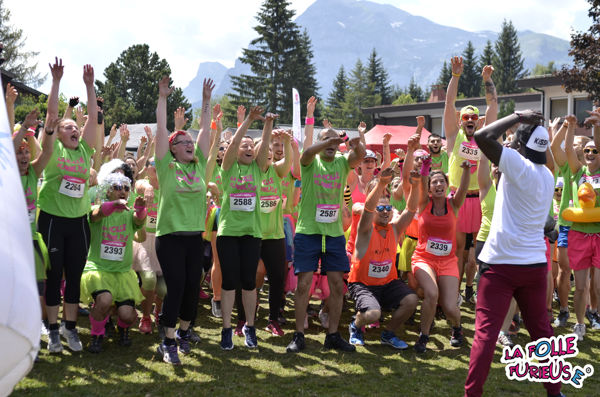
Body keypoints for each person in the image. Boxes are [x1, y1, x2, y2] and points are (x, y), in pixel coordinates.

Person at [464, 110, 560, 397]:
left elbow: (482, 136)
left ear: (521, 147)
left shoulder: (518, 165)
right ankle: (555, 392)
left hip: (500, 265)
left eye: (514, 142)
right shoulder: (546, 175)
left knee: (486, 334)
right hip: (534, 266)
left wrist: (518, 116)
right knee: (542, 333)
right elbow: (545, 224)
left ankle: (472, 394)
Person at [286, 127, 366, 353]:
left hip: (333, 234)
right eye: (325, 140)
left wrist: (355, 144)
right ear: (320, 142)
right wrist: (329, 141)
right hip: (308, 232)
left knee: (337, 287)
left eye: (334, 141)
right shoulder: (310, 161)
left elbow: (359, 156)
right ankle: (298, 335)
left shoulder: (341, 162)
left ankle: (332, 335)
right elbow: (307, 152)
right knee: (303, 286)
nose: (331, 144)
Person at [37, 61, 98, 353]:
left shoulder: (84, 149)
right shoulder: (52, 148)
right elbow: (51, 117)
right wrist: (56, 82)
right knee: (54, 274)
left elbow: (94, 118)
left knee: (73, 275)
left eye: (76, 126)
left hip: (79, 223)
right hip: (52, 221)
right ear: (59, 134)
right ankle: (52, 331)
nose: (74, 129)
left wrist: (89, 86)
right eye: (69, 127)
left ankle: (70, 329)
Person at [154, 76, 213, 365]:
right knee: (176, 285)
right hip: (170, 237)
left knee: (192, 286)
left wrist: (206, 100)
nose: (190, 144)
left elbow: (205, 130)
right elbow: (162, 130)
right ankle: (167, 340)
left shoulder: (200, 164)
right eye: (183, 142)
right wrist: (163, 98)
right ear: (173, 148)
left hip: (194, 238)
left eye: (190, 141)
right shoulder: (167, 166)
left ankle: (184, 333)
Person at [216, 107, 273, 350]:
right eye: (245, 146)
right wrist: (248, 120)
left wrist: (268, 125)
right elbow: (232, 147)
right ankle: (227, 329)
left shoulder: (257, 169)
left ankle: (250, 327)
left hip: (251, 234)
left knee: (249, 283)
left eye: (252, 146)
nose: (249, 149)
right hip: (229, 233)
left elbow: (263, 150)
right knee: (229, 283)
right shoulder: (227, 168)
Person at [408, 133, 470, 353]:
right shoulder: (424, 203)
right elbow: (423, 184)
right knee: (432, 294)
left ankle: (457, 328)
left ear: (446, 185)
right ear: (431, 187)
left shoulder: (453, 205)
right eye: (434, 182)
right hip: (424, 258)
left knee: (451, 307)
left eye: (441, 181)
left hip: (447, 262)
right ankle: (423, 336)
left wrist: (466, 170)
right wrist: (426, 168)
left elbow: (462, 190)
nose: (438, 185)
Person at [444, 58, 498, 303]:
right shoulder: (454, 136)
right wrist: (455, 77)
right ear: (460, 121)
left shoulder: (485, 138)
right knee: (457, 251)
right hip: (457, 199)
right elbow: (448, 104)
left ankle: (469, 288)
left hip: (481, 199)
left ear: (478, 122)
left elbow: (493, 106)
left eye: (473, 118)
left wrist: (488, 81)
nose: (469, 120)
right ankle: (453, 292)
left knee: (475, 253)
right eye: (465, 118)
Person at [348, 168, 419, 349]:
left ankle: (388, 334)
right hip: (363, 284)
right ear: (373, 211)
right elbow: (367, 208)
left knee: (411, 300)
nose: (385, 211)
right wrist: (381, 183)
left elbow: (411, 210)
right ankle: (355, 326)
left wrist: (416, 185)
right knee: (373, 314)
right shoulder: (365, 229)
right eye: (380, 208)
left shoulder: (394, 228)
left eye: (388, 208)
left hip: (387, 283)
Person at [80, 172, 146, 352]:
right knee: (104, 300)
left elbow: (139, 222)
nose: (123, 191)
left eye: (126, 188)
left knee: (128, 316)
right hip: (99, 270)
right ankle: (97, 334)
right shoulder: (97, 209)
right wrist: (114, 205)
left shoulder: (128, 212)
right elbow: (97, 214)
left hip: (123, 273)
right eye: (117, 188)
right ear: (108, 191)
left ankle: (122, 328)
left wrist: (140, 209)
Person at [565, 109, 600, 341]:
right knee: (580, 287)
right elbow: (568, 151)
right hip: (578, 235)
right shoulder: (578, 173)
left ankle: (595, 313)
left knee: (597, 285)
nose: (589, 153)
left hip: (599, 235)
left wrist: (597, 126)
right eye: (586, 150)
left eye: (594, 150)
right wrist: (570, 128)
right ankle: (579, 324)